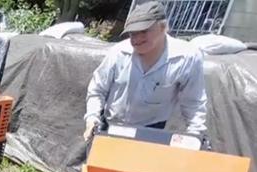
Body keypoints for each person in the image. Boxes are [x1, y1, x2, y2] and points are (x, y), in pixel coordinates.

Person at [83, 0, 207, 141]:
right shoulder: (118, 53)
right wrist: (92, 118)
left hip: (151, 131)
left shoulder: (186, 57)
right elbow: (97, 89)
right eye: (132, 34)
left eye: (144, 31)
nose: (137, 39)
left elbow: (194, 102)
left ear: (163, 27)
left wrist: (196, 135)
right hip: (111, 126)